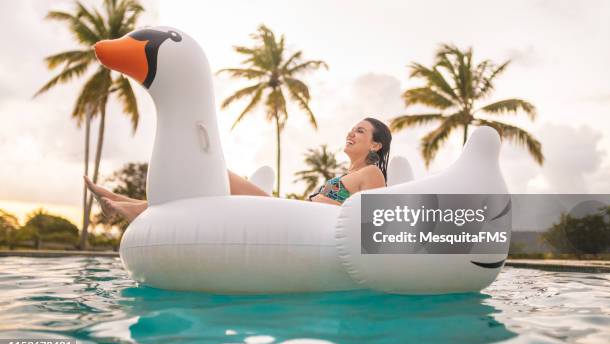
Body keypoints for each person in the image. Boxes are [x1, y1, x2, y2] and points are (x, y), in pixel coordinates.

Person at [84, 117, 392, 223]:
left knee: (221, 176)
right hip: (297, 214)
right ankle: (135, 205)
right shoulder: (347, 173)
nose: (351, 134)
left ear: (376, 146)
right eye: (351, 129)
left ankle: (134, 207)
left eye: (361, 132)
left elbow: (376, 220)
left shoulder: (373, 174)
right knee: (216, 184)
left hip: (301, 218)